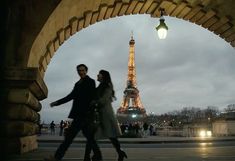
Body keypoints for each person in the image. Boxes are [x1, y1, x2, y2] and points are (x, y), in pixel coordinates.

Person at [44, 64, 102, 161]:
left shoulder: (90, 82)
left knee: (69, 138)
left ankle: (57, 157)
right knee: (89, 139)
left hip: (85, 115)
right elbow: (70, 96)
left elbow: (91, 97)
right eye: (79, 70)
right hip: (80, 115)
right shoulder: (77, 84)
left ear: (86, 71)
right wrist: (57, 102)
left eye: (83, 70)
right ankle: (98, 156)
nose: (81, 72)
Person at [85, 70, 127, 161]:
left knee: (106, 136)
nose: (97, 75)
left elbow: (103, 99)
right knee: (108, 136)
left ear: (103, 76)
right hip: (100, 114)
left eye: (99, 74)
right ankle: (118, 153)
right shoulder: (101, 86)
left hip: (105, 115)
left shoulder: (107, 86)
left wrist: (93, 102)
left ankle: (94, 155)